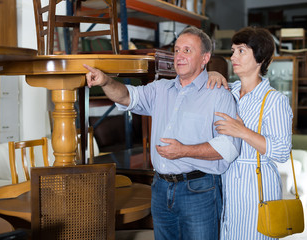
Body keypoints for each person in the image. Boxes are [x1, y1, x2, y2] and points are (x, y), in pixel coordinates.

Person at [84, 26, 240, 240]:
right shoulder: (160, 89)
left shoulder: (219, 95)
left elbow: (229, 148)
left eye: (187, 50)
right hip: (160, 188)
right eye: (176, 50)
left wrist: (183, 151)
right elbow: (126, 97)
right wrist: (105, 81)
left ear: (205, 58)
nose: (179, 56)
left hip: (199, 191)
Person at [211, 27, 293, 239]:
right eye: (233, 50)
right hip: (226, 181)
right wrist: (211, 73)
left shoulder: (275, 100)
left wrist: (243, 131)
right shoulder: (227, 91)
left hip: (257, 187)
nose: (233, 56)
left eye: (241, 51)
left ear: (260, 58)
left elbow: (282, 151)